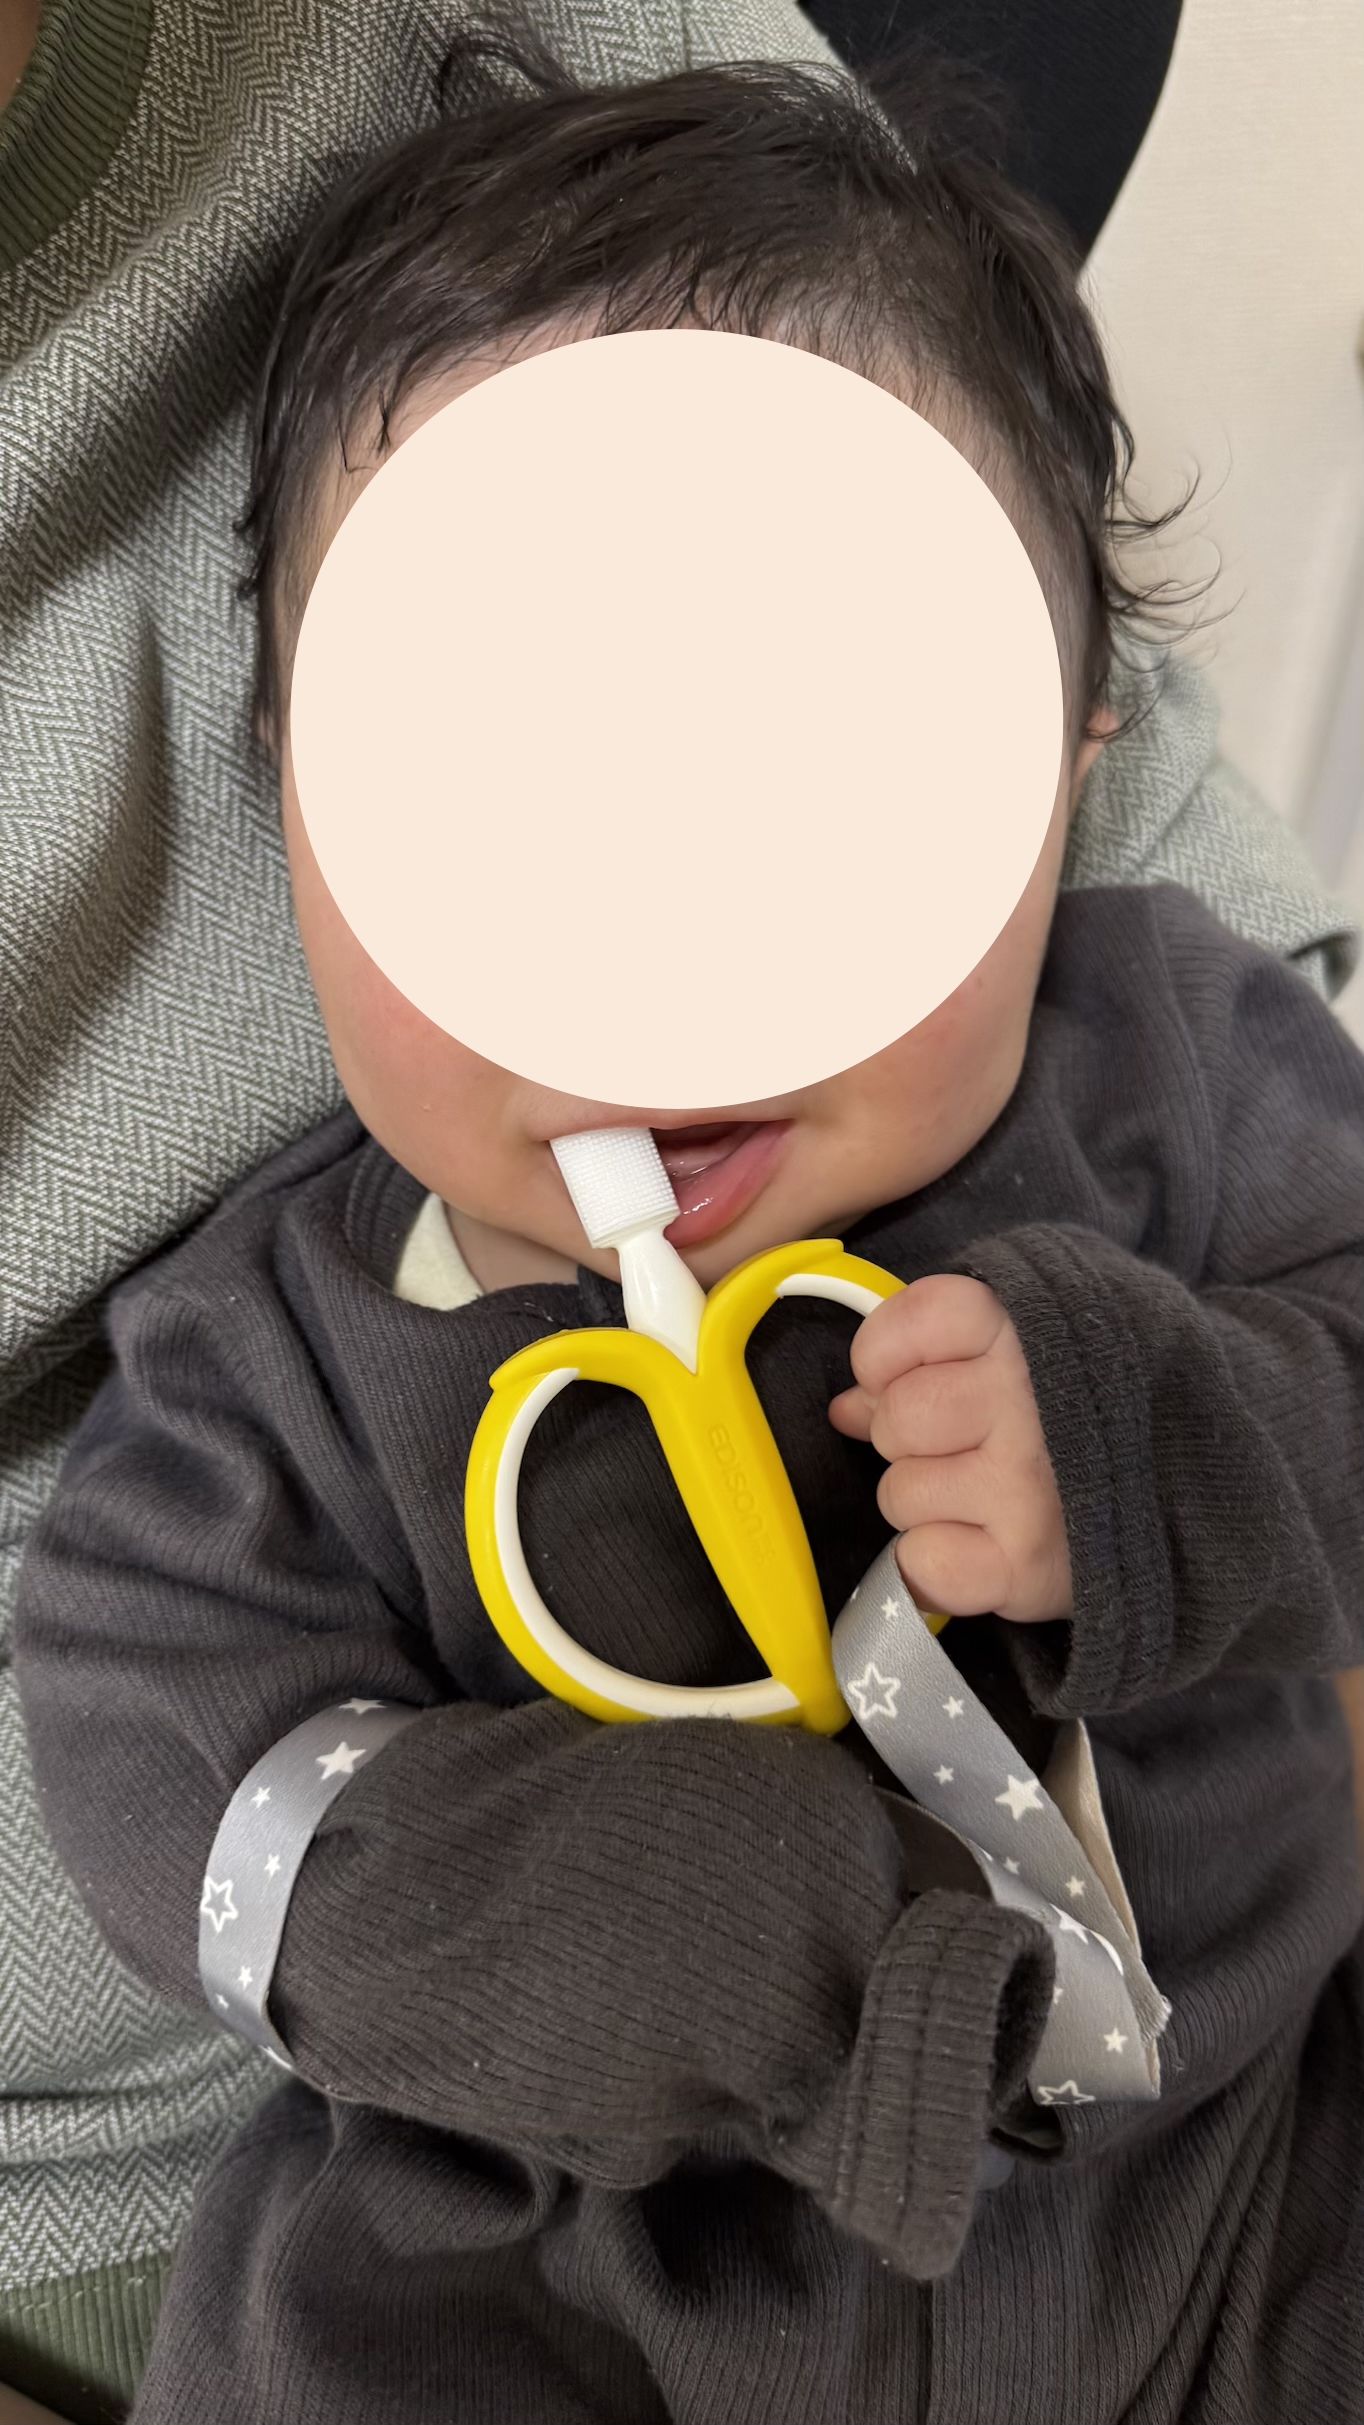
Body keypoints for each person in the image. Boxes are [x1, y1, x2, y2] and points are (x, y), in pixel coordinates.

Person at [0, 1, 1357, 2419]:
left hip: (1231, 2190)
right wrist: (601, 1896)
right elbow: (163, 1752)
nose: (655, 955)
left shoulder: (1170, 1064)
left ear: (1067, 750)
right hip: (558, 2289)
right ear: (298, 802)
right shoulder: (288, 1351)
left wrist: (1162, 1442)